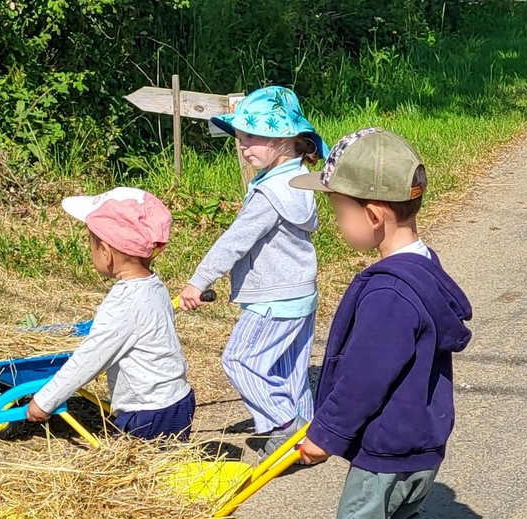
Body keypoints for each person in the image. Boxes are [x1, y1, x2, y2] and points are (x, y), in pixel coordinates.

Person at [288, 128, 482, 519]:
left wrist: (326, 434)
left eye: (339, 209)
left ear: (374, 214)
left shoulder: (390, 292)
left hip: (387, 446)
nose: (335, 221)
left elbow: (365, 378)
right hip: (418, 440)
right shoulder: (422, 268)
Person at [178, 86, 322, 460]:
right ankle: (305, 437)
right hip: (301, 291)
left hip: (272, 297)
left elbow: (233, 241)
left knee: (240, 360)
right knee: (290, 369)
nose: (242, 147)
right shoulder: (300, 181)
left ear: (285, 138)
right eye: (240, 138)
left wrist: (199, 280)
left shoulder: (267, 194)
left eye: (252, 137)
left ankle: (283, 425)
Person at [28, 188, 195, 441]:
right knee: (167, 466)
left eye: (91, 244)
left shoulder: (123, 303)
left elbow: (91, 358)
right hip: (178, 398)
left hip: (147, 411)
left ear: (105, 251)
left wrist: (45, 401)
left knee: (141, 476)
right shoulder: (154, 284)